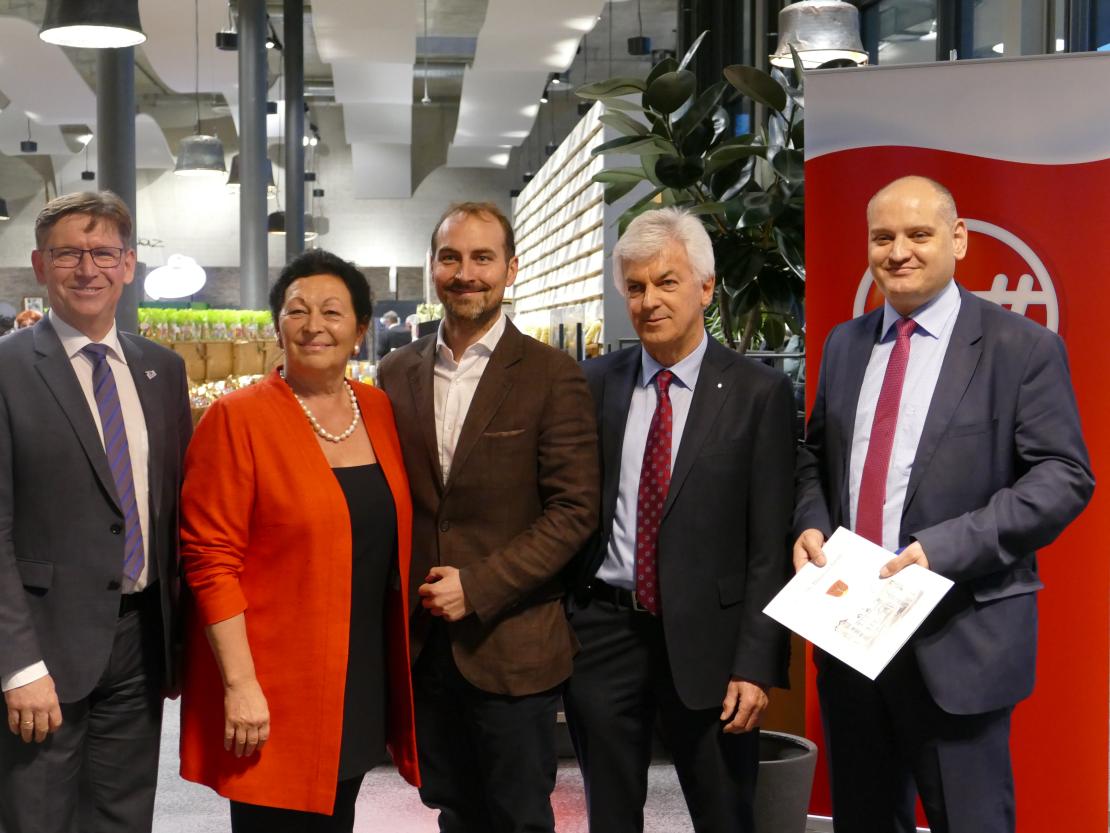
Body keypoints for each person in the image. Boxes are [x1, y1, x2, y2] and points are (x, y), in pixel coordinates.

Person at [793, 175, 1094, 833]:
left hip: (959, 638)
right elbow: (814, 457)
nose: (898, 251)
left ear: (957, 239)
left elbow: (1065, 475)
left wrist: (947, 547)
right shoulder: (846, 344)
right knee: (864, 819)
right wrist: (811, 523)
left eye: (918, 234)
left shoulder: (1022, 348)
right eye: (882, 237)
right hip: (853, 637)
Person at [563, 207, 796, 833]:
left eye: (667, 282)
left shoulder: (759, 394)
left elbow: (769, 547)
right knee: (610, 818)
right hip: (604, 637)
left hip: (714, 650)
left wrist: (757, 662)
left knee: (724, 814)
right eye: (635, 287)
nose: (649, 301)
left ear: (706, 287)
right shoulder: (594, 383)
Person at [178, 249, 420, 832]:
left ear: (362, 329)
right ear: (277, 324)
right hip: (274, 686)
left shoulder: (378, 410)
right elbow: (209, 562)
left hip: (358, 675)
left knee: (338, 819)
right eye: (298, 310)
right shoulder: (236, 418)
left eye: (333, 312)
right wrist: (240, 685)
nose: (315, 326)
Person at [377, 201, 599, 833]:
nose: (465, 272)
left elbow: (574, 509)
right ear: (432, 268)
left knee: (518, 817)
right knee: (452, 809)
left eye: (482, 258)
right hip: (425, 646)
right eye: (451, 257)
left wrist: (477, 586)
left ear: (511, 269)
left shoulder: (553, 375)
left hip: (513, 641)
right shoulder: (396, 373)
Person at [0, 191, 192, 832]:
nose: (88, 269)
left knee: (123, 816)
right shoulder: (6, 370)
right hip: (44, 648)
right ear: (38, 263)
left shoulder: (162, 371)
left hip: (140, 640)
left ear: (130, 264)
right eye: (68, 254)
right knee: (37, 818)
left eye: (104, 252)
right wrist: (17, 664)